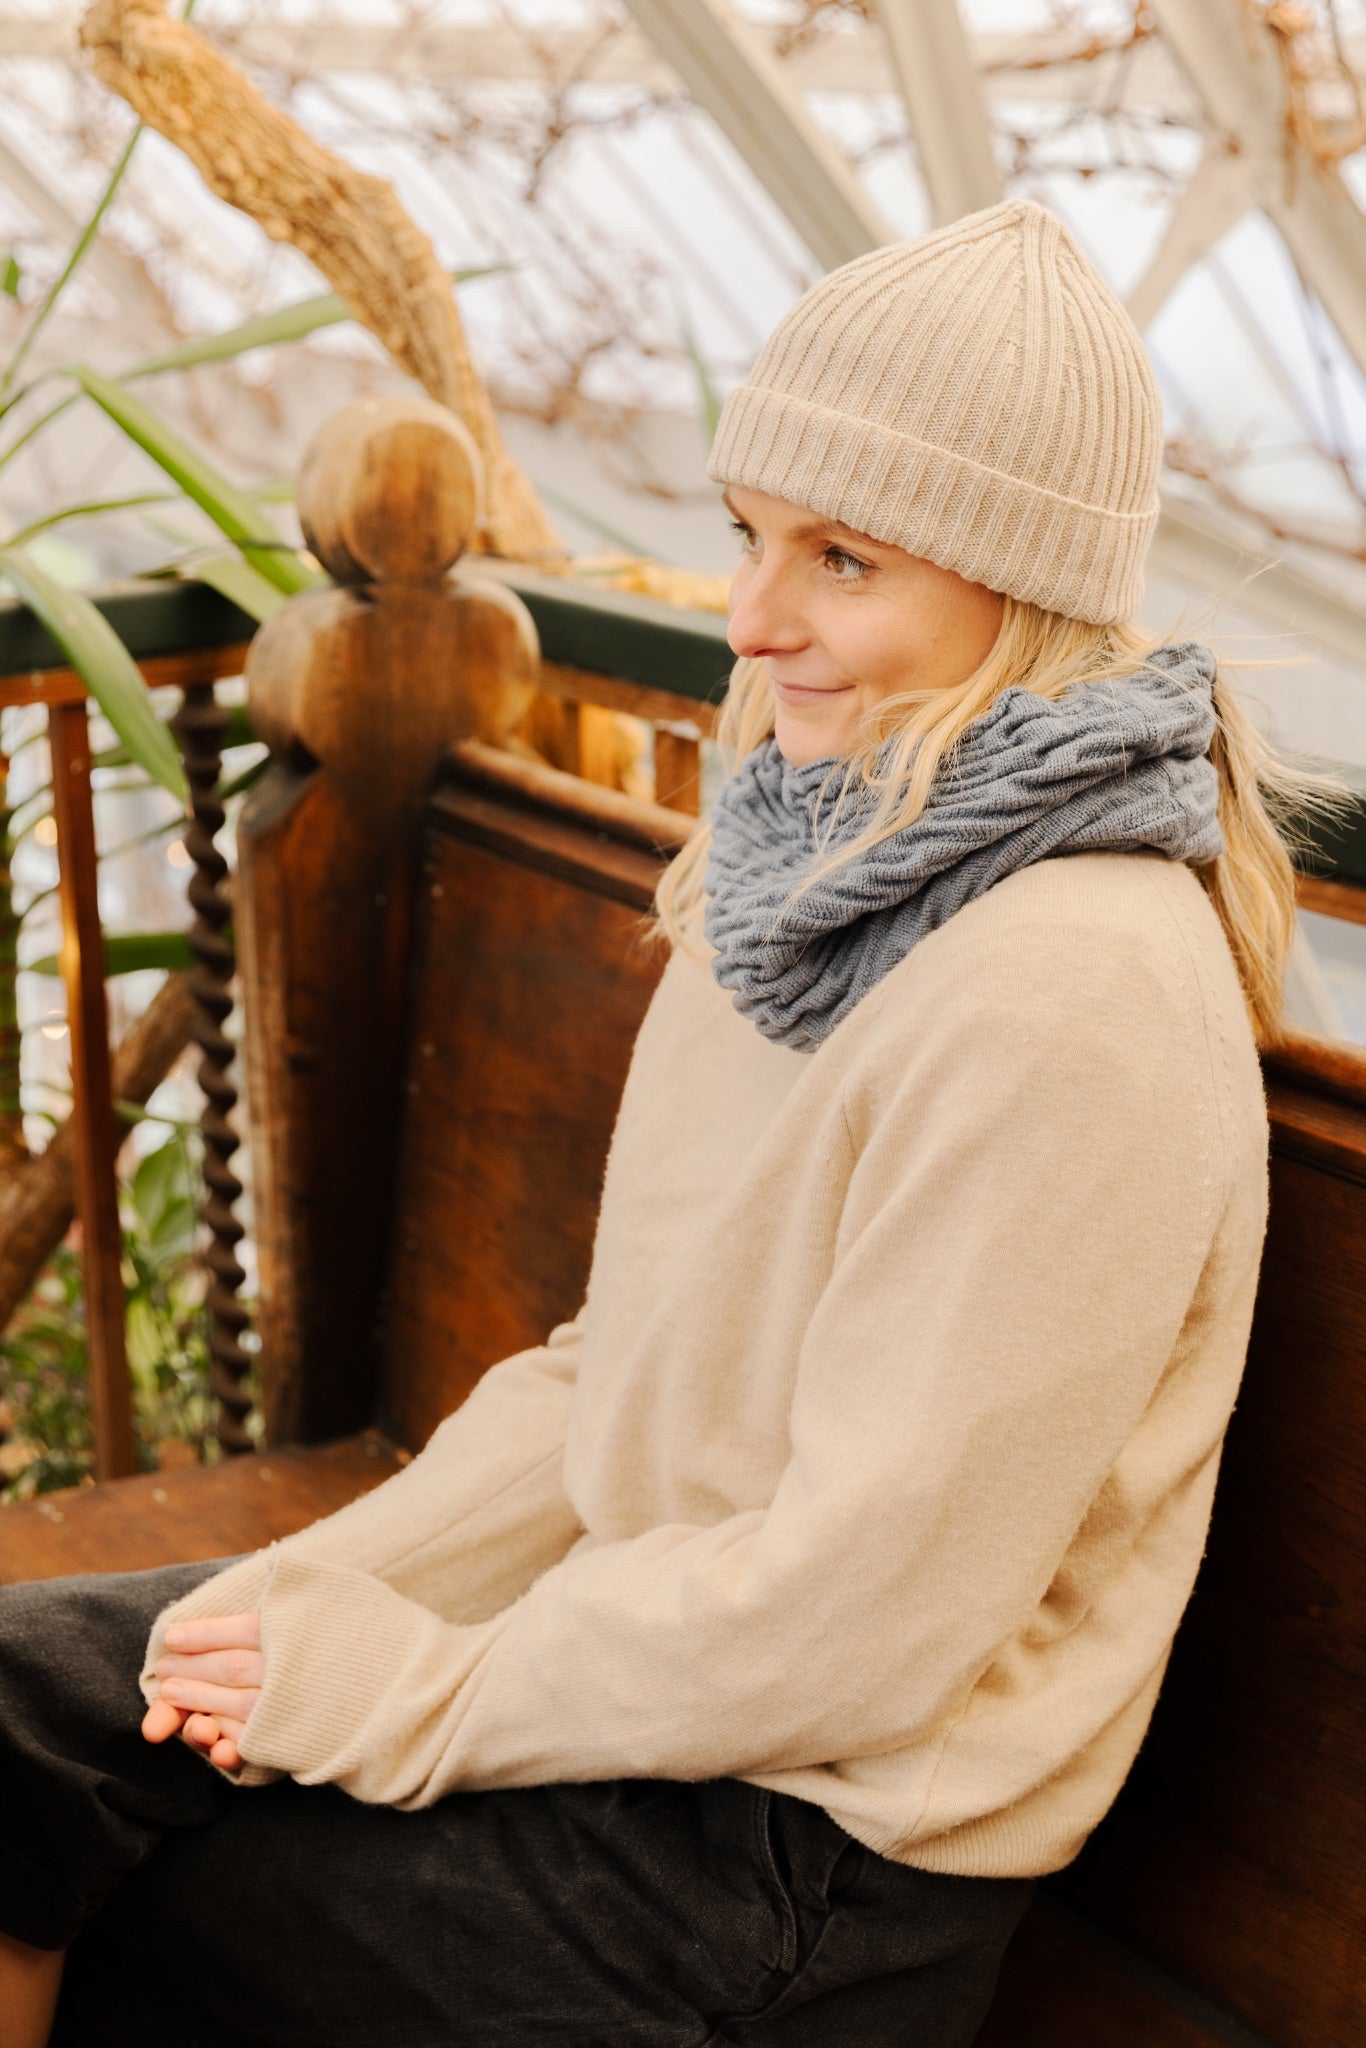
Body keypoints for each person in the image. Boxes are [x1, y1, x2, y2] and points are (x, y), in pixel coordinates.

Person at [0, 198, 1317, 2047]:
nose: (757, 622)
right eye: (748, 539)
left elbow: (861, 1618)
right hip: (642, 1678)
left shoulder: (1073, 994)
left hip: (819, 1860)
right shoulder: (793, 861)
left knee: (131, 1900)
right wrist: (322, 1592)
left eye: (842, 559)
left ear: (1019, 589)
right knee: (19, 1722)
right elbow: (611, 1377)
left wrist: (411, 1695)